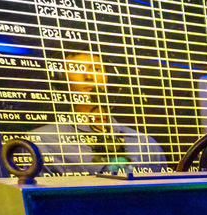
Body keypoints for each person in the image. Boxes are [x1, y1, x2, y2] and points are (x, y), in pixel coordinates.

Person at [26, 48, 165, 175]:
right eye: (77, 69)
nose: (89, 77)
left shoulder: (146, 144)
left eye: (96, 69)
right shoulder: (42, 141)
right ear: (61, 80)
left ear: (108, 77)